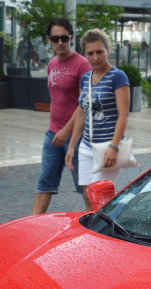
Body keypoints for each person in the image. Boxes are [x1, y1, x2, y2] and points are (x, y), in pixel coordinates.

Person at [65, 28, 130, 209]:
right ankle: (94, 232)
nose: (95, 57)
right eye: (90, 53)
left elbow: (123, 115)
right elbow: (82, 113)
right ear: (84, 54)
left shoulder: (118, 76)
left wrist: (114, 146)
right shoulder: (85, 78)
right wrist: (72, 146)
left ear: (108, 50)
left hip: (108, 146)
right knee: (87, 196)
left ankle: (109, 231)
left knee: (99, 195)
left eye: (99, 52)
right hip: (86, 146)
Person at [32, 18, 92, 215]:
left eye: (64, 38)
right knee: (44, 183)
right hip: (53, 134)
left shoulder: (82, 65)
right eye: (55, 38)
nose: (60, 42)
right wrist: (57, 130)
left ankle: (95, 228)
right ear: (49, 40)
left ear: (71, 38)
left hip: (77, 136)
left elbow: (85, 103)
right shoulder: (52, 64)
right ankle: (32, 225)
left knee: (85, 188)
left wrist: (66, 131)